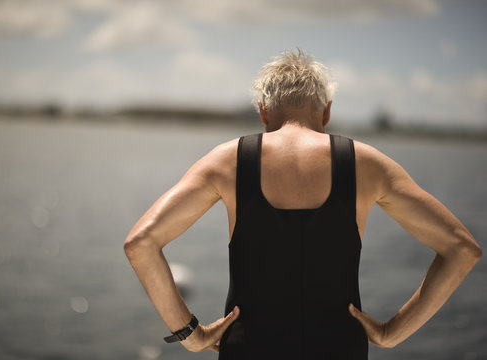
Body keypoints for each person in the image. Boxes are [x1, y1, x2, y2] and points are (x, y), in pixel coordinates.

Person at [124, 49, 482, 359]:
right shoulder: (369, 165)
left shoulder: (227, 162)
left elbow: (141, 243)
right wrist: (392, 333)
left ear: (263, 112)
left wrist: (191, 334)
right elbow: (461, 249)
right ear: (326, 112)